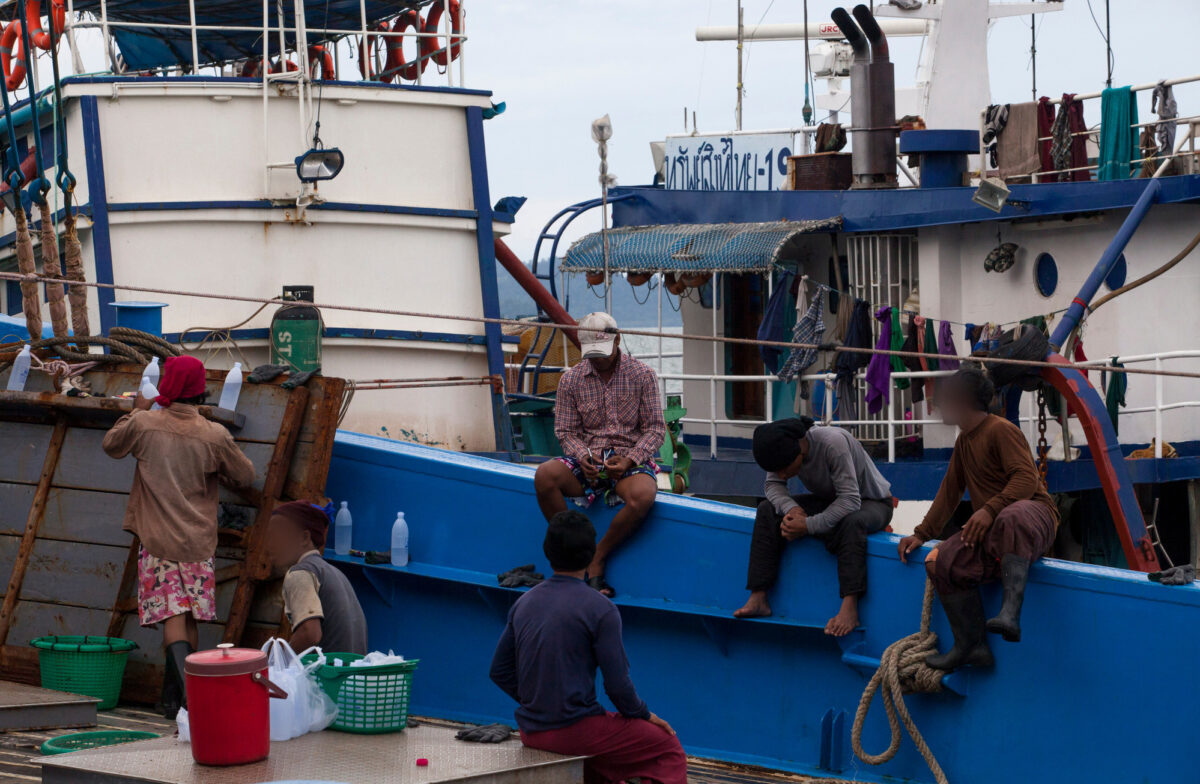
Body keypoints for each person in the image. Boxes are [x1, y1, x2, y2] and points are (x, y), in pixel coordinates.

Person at [102, 356, 255, 718]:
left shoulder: (144, 423)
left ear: (168, 386)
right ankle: (172, 702)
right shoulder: (214, 434)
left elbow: (111, 445)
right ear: (202, 391)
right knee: (189, 620)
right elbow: (245, 476)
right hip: (199, 541)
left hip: (158, 539)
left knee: (172, 617)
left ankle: (194, 703)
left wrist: (134, 410)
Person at [490, 510, 686, 784]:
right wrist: (643, 715)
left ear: (547, 551)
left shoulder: (524, 603)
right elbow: (617, 686)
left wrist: (539, 703)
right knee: (666, 747)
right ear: (591, 553)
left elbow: (499, 671)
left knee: (600, 763)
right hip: (575, 731)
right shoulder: (601, 609)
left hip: (531, 730)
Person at [897, 366, 1059, 671]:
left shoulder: (1000, 430)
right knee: (940, 560)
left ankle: (1010, 614)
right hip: (998, 527)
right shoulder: (964, 442)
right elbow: (950, 492)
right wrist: (921, 534)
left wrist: (989, 509)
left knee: (1011, 516)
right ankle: (972, 646)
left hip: (1033, 518)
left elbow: (1026, 480)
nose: (939, 404)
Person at [533, 312, 665, 597]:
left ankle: (597, 557)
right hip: (589, 461)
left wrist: (630, 459)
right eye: (592, 354)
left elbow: (655, 429)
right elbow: (566, 431)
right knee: (545, 477)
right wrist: (583, 457)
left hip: (629, 459)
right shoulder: (570, 380)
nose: (598, 360)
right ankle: (572, 557)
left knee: (643, 495)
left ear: (618, 339)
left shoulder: (643, 375)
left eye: (602, 354)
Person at [735, 417, 894, 636]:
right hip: (830, 500)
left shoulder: (832, 444)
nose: (781, 475)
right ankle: (758, 596)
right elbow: (773, 485)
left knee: (852, 522)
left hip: (871, 502)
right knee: (767, 510)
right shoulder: (782, 448)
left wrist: (808, 525)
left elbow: (850, 500)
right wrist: (791, 509)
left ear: (799, 450)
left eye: (783, 469)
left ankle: (850, 607)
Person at [265, 500, 368, 655]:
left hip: (327, 677)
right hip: (351, 675)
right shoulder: (336, 573)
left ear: (304, 538)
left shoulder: (300, 573)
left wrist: (278, 664)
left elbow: (310, 634)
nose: (270, 544)